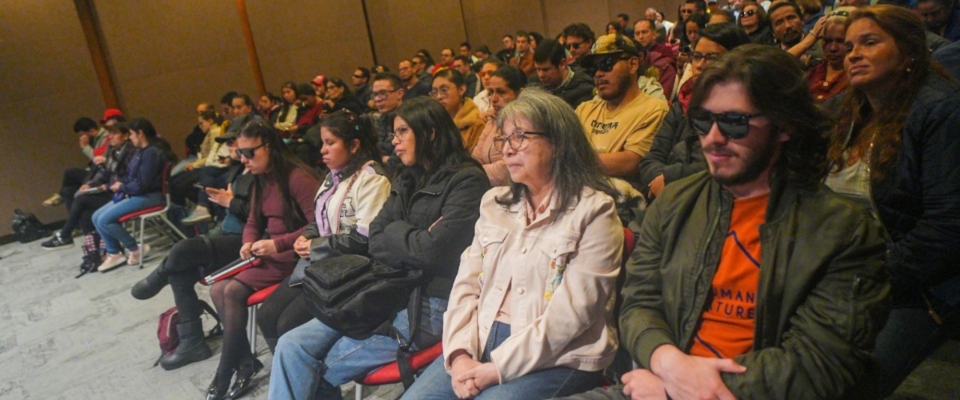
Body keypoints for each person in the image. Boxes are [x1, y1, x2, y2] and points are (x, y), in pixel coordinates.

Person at [563, 44, 890, 400]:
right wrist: (665, 359)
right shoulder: (674, 202)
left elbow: (819, 364)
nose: (713, 139)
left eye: (734, 123)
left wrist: (679, 387)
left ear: (784, 126)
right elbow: (639, 303)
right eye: (703, 121)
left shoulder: (844, 230)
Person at [402, 90, 624, 400]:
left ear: (559, 143)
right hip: (479, 339)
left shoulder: (594, 211)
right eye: (504, 139)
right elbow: (466, 285)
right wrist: (459, 354)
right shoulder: (494, 203)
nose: (507, 150)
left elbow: (573, 314)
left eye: (519, 138)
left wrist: (497, 368)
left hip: (559, 357)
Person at [268, 97, 490, 400]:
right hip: (387, 286)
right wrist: (410, 236)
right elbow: (375, 237)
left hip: (431, 301)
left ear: (430, 133)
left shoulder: (467, 179)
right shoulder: (408, 176)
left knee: (315, 367)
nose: (393, 141)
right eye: (393, 134)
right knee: (291, 345)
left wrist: (396, 233)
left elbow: (433, 252)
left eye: (401, 132)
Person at [825, 6, 960, 396]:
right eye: (849, 46)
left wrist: (864, 277)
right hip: (849, 273)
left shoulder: (942, 109)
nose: (852, 54)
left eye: (869, 42)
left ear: (910, 52)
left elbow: (947, 228)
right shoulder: (846, 110)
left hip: (920, 287)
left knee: (844, 386)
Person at [255, 111, 391, 353]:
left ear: (354, 145)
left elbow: (365, 238)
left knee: (287, 325)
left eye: (330, 143)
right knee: (266, 315)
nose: (322, 151)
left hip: (354, 271)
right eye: (322, 143)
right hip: (322, 263)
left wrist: (316, 246)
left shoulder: (373, 179)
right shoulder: (332, 176)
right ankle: (297, 385)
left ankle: (315, 386)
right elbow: (321, 218)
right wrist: (307, 235)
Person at [208, 120, 321, 400]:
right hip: (272, 254)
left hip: (294, 257)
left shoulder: (297, 177)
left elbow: (317, 225)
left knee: (230, 290)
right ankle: (244, 363)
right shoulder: (261, 180)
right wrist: (248, 240)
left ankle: (226, 371)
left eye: (249, 153)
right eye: (240, 154)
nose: (243, 159)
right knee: (217, 288)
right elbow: (252, 220)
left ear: (269, 147)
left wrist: (276, 244)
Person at [129, 129, 253, 372]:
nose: (228, 147)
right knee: (180, 271)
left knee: (183, 250)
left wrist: (232, 203)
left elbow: (265, 218)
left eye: (232, 141)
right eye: (226, 142)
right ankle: (192, 342)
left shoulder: (260, 172)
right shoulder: (237, 169)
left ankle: (158, 278)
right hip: (228, 235)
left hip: (248, 243)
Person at [639, 23, 751, 202]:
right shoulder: (682, 102)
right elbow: (651, 159)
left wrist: (671, 178)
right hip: (668, 200)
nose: (699, 65)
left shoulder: (745, 108)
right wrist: (660, 180)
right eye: (697, 56)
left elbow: (730, 164)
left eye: (712, 58)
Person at [576, 34, 669, 187]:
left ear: (632, 65)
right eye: (594, 69)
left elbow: (631, 162)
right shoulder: (584, 109)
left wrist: (572, 161)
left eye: (606, 64)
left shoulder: (653, 109)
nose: (598, 74)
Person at [92, 118, 176, 272]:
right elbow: (132, 178)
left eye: (131, 134)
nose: (130, 138)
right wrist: (120, 185)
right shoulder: (141, 151)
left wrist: (122, 186)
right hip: (136, 194)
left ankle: (136, 249)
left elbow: (142, 185)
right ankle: (114, 252)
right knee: (96, 216)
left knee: (104, 220)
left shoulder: (151, 153)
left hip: (150, 196)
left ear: (140, 133)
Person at [41, 122, 135, 256]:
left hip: (123, 193)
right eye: (110, 134)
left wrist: (107, 186)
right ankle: (96, 251)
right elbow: (106, 173)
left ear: (126, 136)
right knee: (85, 213)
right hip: (113, 191)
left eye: (114, 134)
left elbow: (129, 177)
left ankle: (65, 234)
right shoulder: (114, 150)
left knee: (81, 199)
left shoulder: (131, 152)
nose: (111, 137)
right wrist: (91, 184)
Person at [472, 65, 525, 186]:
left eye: (501, 92)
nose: (494, 99)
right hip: (487, 187)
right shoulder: (492, 119)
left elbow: (507, 170)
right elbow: (475, 159)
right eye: (491, 92)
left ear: (520, 93)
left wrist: (473, 175)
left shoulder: (526, 124)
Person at [529, 39, 594, 109]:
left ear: (562, 64)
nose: (540, 75)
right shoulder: (533, 85)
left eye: (546, 70)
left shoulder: (583, 91)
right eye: (538, 69)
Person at [432, 69, 486, 153]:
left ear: (461, 89)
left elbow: (473, 162)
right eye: (435, 92)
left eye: (444, 90)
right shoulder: (432, 123)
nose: (439, 96)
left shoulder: (476, 124)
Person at [806, 8, 852, 103]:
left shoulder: (858, 75)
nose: (833, 48)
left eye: (840, 41)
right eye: (827, 41)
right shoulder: (812, 69)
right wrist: (809, 40)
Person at [633, 19, 678, 97]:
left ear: (654, 34)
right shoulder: (632, 55)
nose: (640, 37)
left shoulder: (665, 52)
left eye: (644, 32)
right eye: (637, 33)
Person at [370, 72, 406, 169]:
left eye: (382, 93)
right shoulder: (379, 120)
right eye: (375, 94)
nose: (377, 99)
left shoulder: (411, 119)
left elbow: (397, 163)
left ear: (399, 93)